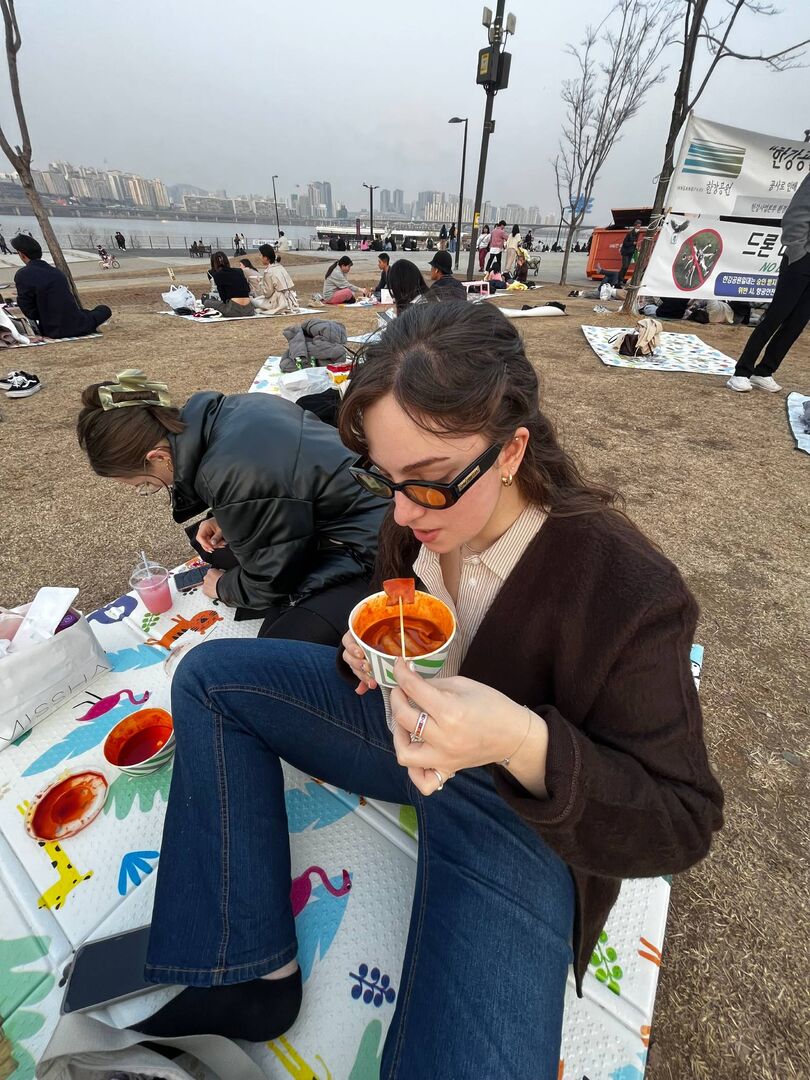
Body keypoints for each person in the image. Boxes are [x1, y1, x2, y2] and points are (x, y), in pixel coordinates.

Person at [135, 301, 723, 1077]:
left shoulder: (624, 588)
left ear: (512, 450)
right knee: (212, 673)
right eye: (385, 478)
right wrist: (365, 649)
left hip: (514, 805)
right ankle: (247, 969)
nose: (405, 513)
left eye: (431, 482)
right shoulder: (415, 522)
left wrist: (520, 739)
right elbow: (403, 606)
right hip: (406, 726)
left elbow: (682, 822)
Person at [76, 370, 386, 641]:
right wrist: (223, 516)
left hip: (372, 542)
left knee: (280, 645)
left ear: (158, 457)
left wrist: (224, 587)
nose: (153, 489)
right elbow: (286, 482)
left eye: (145, 484)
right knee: (208, 542)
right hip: (347, 506)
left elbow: (272, 578)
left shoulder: (229, 473)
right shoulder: (231, 409)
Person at [727, 171, 810, 393]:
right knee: (775, 316)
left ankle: (764, 371)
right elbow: (796, 215)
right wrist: (797, 251)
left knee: (796, 324)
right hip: (801, 258)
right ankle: (742, 371)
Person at [12, 234, 111, 337]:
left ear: (22, 255)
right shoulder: (56, 272)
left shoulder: (22, 274)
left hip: (51, 329)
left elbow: (28, 309)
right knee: (103, 309)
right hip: (78, 324)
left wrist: (44, 312)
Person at [204, 251, 255, 317]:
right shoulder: (239, 271)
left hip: (233, 309)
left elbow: (223, 298)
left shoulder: (217, 275)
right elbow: (248, 289)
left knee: (207, 302)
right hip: (249, 309)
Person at [251, 244, 299, 314]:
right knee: (258, 300)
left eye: (260, 255)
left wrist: (260, 284)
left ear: (265, 257)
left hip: (277, 300)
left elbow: (268, 293)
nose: (259, 257)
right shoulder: (280, 266)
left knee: (253, 301)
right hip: (290, 298)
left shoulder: (268, 271)